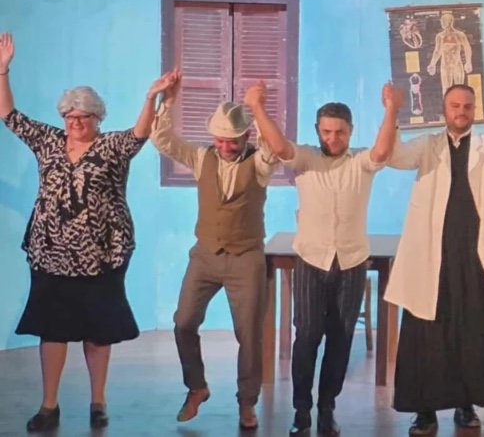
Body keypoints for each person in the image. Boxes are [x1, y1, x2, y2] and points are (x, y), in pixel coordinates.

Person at [0, 32, 169, 432]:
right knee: (51, 329)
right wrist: (3, 70)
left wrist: (151, 97)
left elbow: (140, 133)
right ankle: (49, 405)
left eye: (84, 117)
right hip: (50, 253)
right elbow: (9, 116)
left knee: (98, 330)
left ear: (97, 118)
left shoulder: (111, 147)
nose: (75, 123)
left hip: (102, 254)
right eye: (70, 116)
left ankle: (98, 401)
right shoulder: (48, 141)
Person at [384, 80, 484, 435]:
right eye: (455, 106)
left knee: (472, 332)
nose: (461, 112)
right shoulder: (427, 146)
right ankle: (424, 411)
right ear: (444, 110)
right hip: (432, 258)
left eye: (467, 107)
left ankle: (466, 404)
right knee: (425, 335)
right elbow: (393, 156)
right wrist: (392, 110)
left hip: (475, 258)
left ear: (475, 111)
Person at [249, 81, 402, 435]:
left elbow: (382, 151)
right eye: (327, 131)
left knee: (341, 337)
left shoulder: (360, 162)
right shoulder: (305, 158)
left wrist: (391, 108)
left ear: (350, 132)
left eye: (340, 132)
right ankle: (301, 410)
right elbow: (279, 146)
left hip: (351, 262)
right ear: (317, 130)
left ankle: (327, 407)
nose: (332, 138)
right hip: (311, 261)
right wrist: (257, 107)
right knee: (306, 336)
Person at [152, 75, 281, 430]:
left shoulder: (259, 163)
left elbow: (276, 148)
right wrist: (169, 101)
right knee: (184, 322)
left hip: (246, 257)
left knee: (249, 334)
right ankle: (197, 387)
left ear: (246, 137)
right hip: (206, 255)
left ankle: (247, 402)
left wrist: (258, 107)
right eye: (220, 139)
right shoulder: (201, 157)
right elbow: (161, 139)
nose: (225, 146)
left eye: (232, 140)